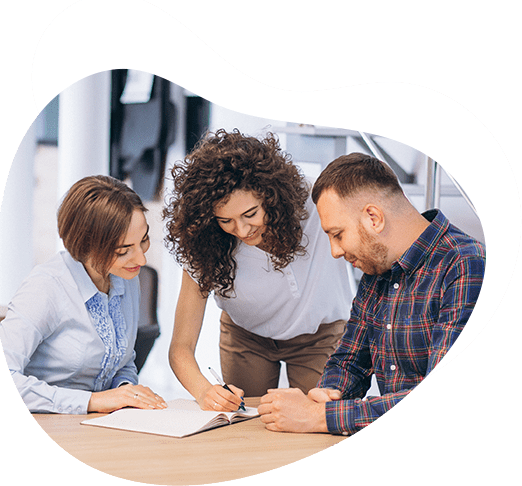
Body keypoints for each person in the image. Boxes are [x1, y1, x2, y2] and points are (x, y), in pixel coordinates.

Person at [258, 152, 485, 434]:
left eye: (338, 234)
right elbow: (349, 361)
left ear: (373, 218)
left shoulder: (466, 265)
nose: (335, 251)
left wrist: (320, 417)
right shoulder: (377, 268)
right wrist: (327, 394)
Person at [163, 129, 353, 412]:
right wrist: (205, 392)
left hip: (320, 335)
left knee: (320, 419)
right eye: (225, 220)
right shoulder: (203, 243)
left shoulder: (314, 199)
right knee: (246, 422)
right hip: (246, 338)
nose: (241, 230)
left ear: (272, 195)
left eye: (250, 214)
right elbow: (180, 348)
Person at [0, 175, 167, 414]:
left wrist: (126, 391)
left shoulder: (126, 279)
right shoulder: (46, 288)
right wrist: (93, 401)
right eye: (123, 250)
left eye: (144, 240)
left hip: (93, 424)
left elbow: (123, 362)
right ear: (85, 246)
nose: (141, 259)